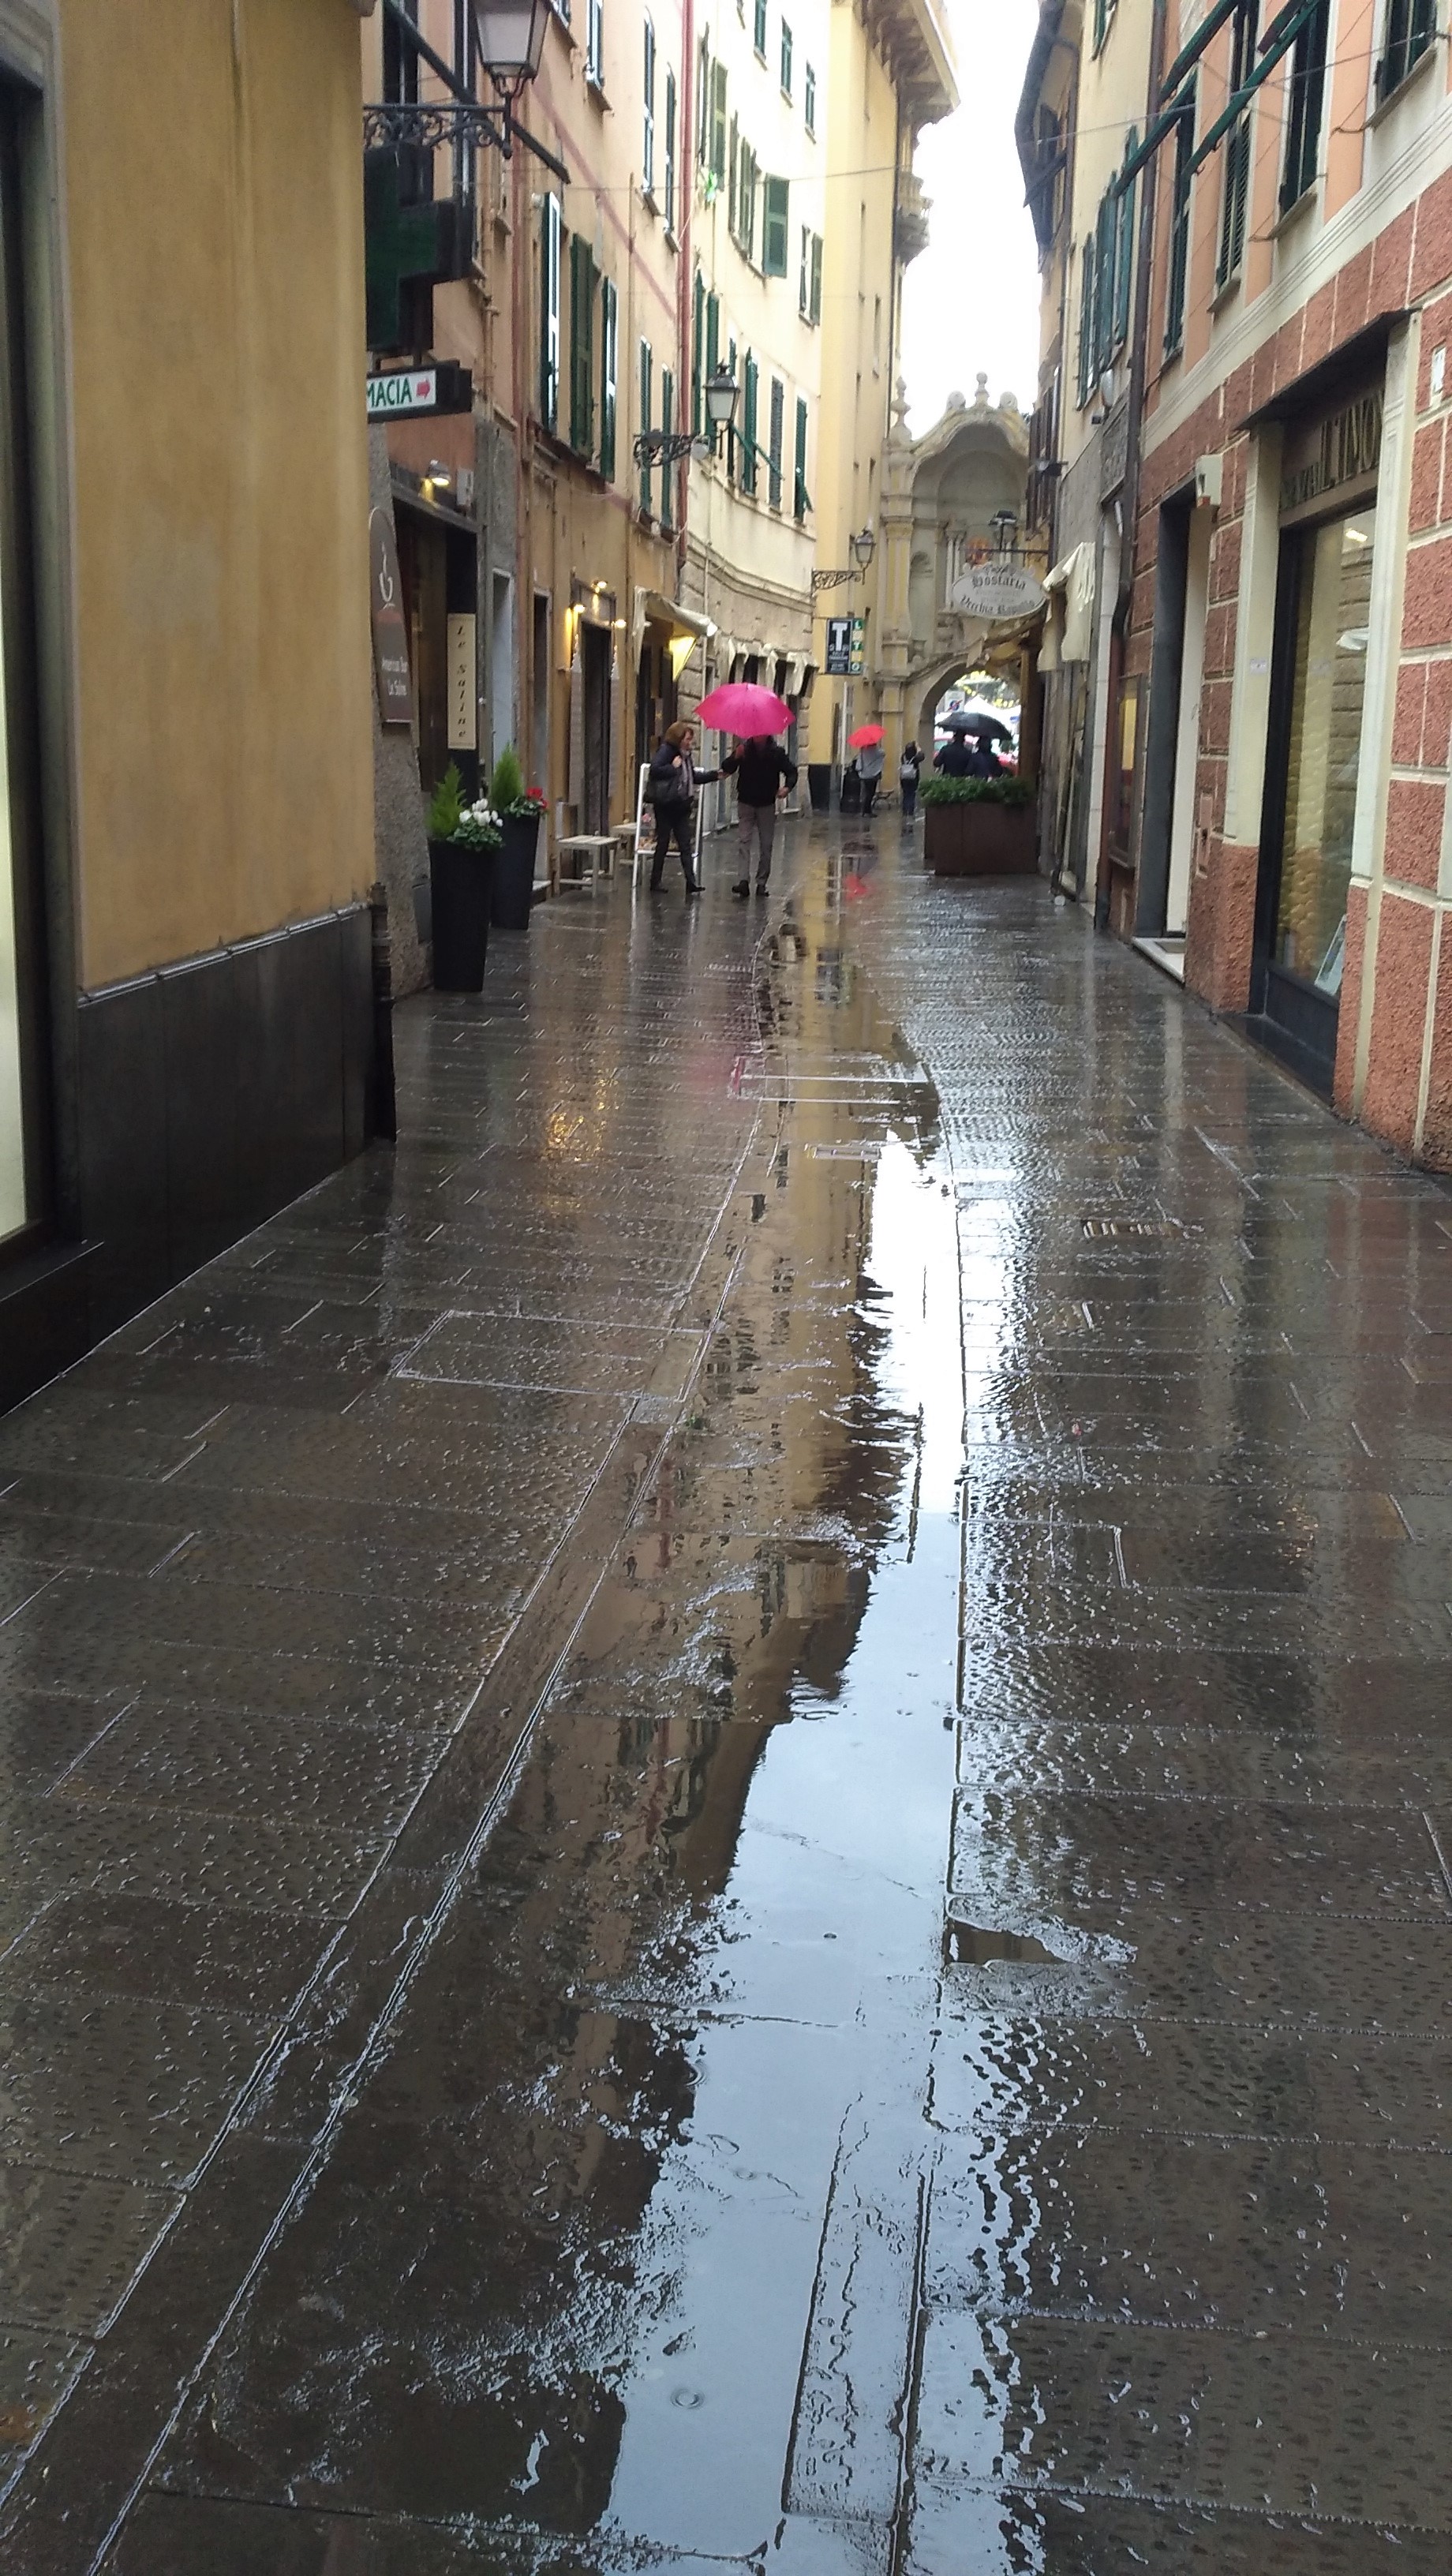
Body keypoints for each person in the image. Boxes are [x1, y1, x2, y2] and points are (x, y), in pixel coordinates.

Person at [647, 721, 719, 893]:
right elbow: (655, 770)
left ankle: (691, 883)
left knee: (685, 844)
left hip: (681, 805)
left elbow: (693, 777)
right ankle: (655, 882)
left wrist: (715, 775)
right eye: (687, 739)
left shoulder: (685, 755)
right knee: (663, 843)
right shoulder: (666, 751)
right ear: (678, 738)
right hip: (666, 805)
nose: (690, 742)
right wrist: (672, 768)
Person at [722, 733, 798, 897]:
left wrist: (787, 788)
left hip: (766, 803)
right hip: (746, 801)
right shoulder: (744, 749)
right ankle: (743, 881)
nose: (757, 736)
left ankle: (761, 882)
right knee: (744, 841)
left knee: (766, 844)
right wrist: (736, 757)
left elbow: (792, 771)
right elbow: (727, 768)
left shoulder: (776, 752)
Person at [859, 737, 885, 814]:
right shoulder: (876, 751)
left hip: (864, 774)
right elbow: (883, 753)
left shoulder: (863, 750)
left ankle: (864, 810)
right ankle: (867, 811)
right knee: (870, 793)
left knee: (865, 792)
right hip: (873, 775)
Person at [899, 740, 922, 819]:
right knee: (912, 794)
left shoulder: (903, 756)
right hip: (913, 778)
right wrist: (919, 749)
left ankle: (905, 810)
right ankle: (910, 811)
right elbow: (922, 756)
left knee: (905, 794)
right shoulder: (915, 758)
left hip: (904, 778)